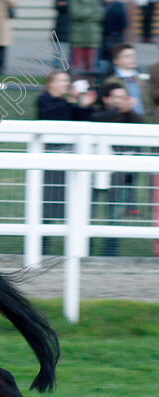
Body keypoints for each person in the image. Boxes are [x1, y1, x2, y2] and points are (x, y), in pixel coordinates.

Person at [36, 70, 95, 253]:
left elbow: (81, 119)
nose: (66, 84)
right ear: (50, 83)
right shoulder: (44, 100)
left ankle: (81, 247)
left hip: (69, 159)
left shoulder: (65, 102)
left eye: (67, 80)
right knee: (48, 203)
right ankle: (41, 245)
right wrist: (71, 101)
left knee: (74, 201)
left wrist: (84, 106)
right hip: (51, 160)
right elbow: (48, 116)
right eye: (62, 80)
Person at [89, 81, 143, 256]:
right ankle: (86, 250)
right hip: (94, 172)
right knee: (88, 214)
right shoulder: (96, 112)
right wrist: (118, 110)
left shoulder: (131, 116)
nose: (121, 100)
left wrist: (129, 112)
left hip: (118, 174)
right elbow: (93, 120)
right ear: (106, 99)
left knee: (114, 216)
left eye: (123, 96)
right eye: (117, 97)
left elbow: (138, 134)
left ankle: (110, 253)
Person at [68, 0, 103, 74]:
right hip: (78, 37)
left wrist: (84, 14)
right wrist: (91, 11)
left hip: (92, 36)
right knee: (77, 63)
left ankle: (90, 82)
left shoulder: (95, 2)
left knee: (91, 63)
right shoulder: (75, 2)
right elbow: (76, 14)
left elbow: (100, 15)